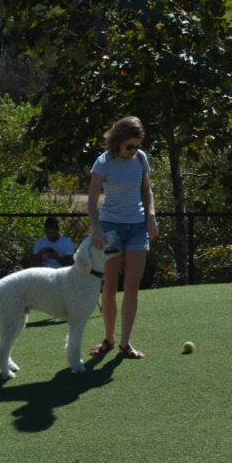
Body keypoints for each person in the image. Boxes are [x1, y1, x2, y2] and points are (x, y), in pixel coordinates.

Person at [86, 116, 158, 359]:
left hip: (137, 227)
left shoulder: (140, 158)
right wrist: (96, 227)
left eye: (137, 145)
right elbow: (92, 199)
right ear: (117, 141)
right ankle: (108, 338)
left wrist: (151, 216)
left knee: (132, 285)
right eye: (130, 146)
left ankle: (125, 344)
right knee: (110, 286)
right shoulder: (103, 162)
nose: (134, 150)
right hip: (110, 228)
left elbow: (146, 191)